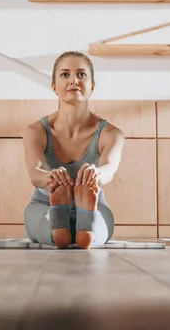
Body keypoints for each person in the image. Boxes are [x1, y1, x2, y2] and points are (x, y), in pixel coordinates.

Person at [23, 52, 125, 249]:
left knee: (102, 229)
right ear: (54, 87)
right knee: (42, 223)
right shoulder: (35, 131)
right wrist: (52, 178)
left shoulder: (112, 133)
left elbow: (109, 169)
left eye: (81, 74)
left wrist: (95, 174)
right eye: (64, 75)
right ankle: (60, 226)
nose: (74, 81)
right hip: (45, 203)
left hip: (92, 203)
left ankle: (85, 226)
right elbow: (35, 174)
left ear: (92, 86)